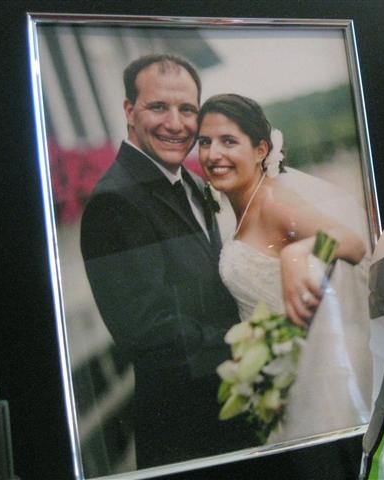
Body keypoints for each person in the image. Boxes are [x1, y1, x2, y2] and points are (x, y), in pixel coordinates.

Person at [80, 55, 254, 469]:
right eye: (158, 107)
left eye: (187, 109)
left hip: (231, 411)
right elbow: (145, 330)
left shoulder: (191, 180)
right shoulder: (112, 202)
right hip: (185, 432)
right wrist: (248, 344)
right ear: (129, 111)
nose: (175, 124)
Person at [196, 93, 373, 442]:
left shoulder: (274, 202)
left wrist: (299, 253)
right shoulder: (246, 208)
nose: (213, 154)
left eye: (228, 141)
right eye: (205, 142)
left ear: (260, 150)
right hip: (283, 379)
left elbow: (352, 243)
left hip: (313, 378)